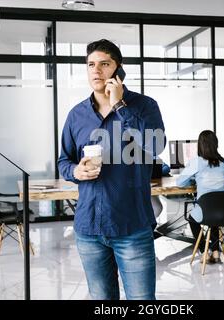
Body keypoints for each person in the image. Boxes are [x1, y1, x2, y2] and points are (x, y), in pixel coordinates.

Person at [58, 39, 165, 300]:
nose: (96, 71)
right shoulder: (76, 115)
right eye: (91, 65)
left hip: (132, 226)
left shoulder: (144, 106)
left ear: (118, 69)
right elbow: (64, 161)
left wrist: (119, 106)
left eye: (104, 64)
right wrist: (76, 172)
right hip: (89, 229)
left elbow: (155, 145)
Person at [176, 130, 224, 264]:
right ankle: (216, 251)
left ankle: (205, 250)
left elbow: (180, 183)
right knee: (214, 212)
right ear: (216, 144)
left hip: (205, 211)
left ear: (200, 146)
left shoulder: (196, 162)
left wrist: (194, 179)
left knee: (193, 219)